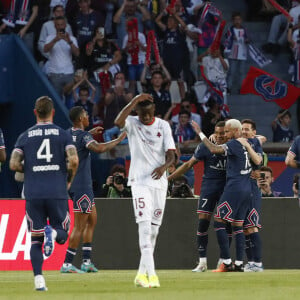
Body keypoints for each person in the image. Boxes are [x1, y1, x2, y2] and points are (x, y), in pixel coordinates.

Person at [9, 96, 79, 291]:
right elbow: (73, 160)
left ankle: (39, 280)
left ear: (35, 113)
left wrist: (31, 169)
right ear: (53, 112)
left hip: (33, 193)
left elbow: (13, 164)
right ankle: (53, 231)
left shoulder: (24, 136)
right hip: (56, 190)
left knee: (35, 240)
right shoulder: (63, 135)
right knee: (63, 234)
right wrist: (68, 179)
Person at [114, 93, 176, 288]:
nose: (146, 118)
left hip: (159, 183)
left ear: (154, 111)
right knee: (144, 227)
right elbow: (117, 121)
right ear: (137, 112)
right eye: (143, 114)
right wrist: (134, 101)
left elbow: (172, 155)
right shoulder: (132, 122)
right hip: (139, 182)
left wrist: (164, 167)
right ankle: (153, 274)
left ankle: (141, 275)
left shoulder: (163, 125)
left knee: (154, 231)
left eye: (149, 114)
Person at [60, 106, 126, 273]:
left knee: (92, 220)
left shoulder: (68, 133)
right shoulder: (84, 136)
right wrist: (118, 140)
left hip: (78, 185)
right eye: (86, 115)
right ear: (81, 118)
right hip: (82, 185)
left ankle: (87, 261)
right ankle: (67, 264)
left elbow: (79, 140)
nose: (89, 116)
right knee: (79, 226)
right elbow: (99, 148)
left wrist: (89, 132)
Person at [192, 119, 262, 272]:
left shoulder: (233, 144)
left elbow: (213, 149)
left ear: (236, 131)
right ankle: (238, 264)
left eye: (227, 131)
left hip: (234, 188)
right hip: (246, 189)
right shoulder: (248, 143)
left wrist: (200, 133)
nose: (225, 134)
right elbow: (259, 158)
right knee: (237, 225)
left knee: (218, 221)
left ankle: (226, 262)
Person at [168, 121, 228, 272]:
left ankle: (223, 261)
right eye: (218, 133)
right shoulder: (205, 146)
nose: (220, 136)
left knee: (225, 224)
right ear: (213, 132)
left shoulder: (234, 145)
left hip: (227, 188)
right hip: (209, 188)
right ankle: (202, 262)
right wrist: (168, 179)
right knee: (203, 223)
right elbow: (188, 164)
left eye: (223, 133)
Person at [241, 119, 264, 272]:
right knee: (244, 229)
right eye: (242, 129)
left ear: (254, 132)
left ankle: (258, 262)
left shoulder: (254, 143)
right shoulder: (239, 142)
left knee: (252, 227)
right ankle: (251, 262)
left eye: (247, 129)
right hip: (241, 189)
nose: (244, 132)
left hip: (251, 189)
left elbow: (258, 160)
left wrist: (253, 141)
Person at [44, 16, 80, 98]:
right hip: (54, 74)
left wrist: (69, 42)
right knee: (56, 100)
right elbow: (45, 49)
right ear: (55, 26)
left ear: (65, 25)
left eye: (62, 25)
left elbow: (77, 53)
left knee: (70, 99)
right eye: (58, 25)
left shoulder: (72, 39)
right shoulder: (50, 37)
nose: (60, 27)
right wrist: (55, 40)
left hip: (69, 73)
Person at [224, 12, 250, 94]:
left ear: (241, 20)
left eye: (239, 19)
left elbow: (248, 39)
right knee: (231, 71)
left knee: (242, 72)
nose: (237, 21)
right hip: (233, 53)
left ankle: (241, 88)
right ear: (233, 21)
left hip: (242, 53)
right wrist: (231, 37)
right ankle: (228, 87)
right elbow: (226, 38)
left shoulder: (244, 30)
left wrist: (247, 40)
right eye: (235, 19)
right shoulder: (231, 30)